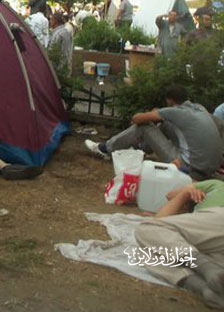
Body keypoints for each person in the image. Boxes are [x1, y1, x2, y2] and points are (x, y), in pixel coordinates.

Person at [85, 84, 224, 180]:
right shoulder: (199, 108)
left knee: (144, 127)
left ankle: (104, 148)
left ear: (169, 100)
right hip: (210, 167)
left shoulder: (176, 111)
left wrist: (154, 113)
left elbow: (136, 119)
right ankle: (141, 149)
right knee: (166, 124)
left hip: (190, 167)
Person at [134, 180, 224, 308]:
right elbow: (159, 233)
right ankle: (209, 289)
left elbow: (169, 198)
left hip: (219, 218)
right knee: (145, 252)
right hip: (214, 249)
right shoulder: (194, 225)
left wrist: (185, 192)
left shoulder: (217, 184)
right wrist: (185, 194)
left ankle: (209, 271)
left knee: (147, 229)